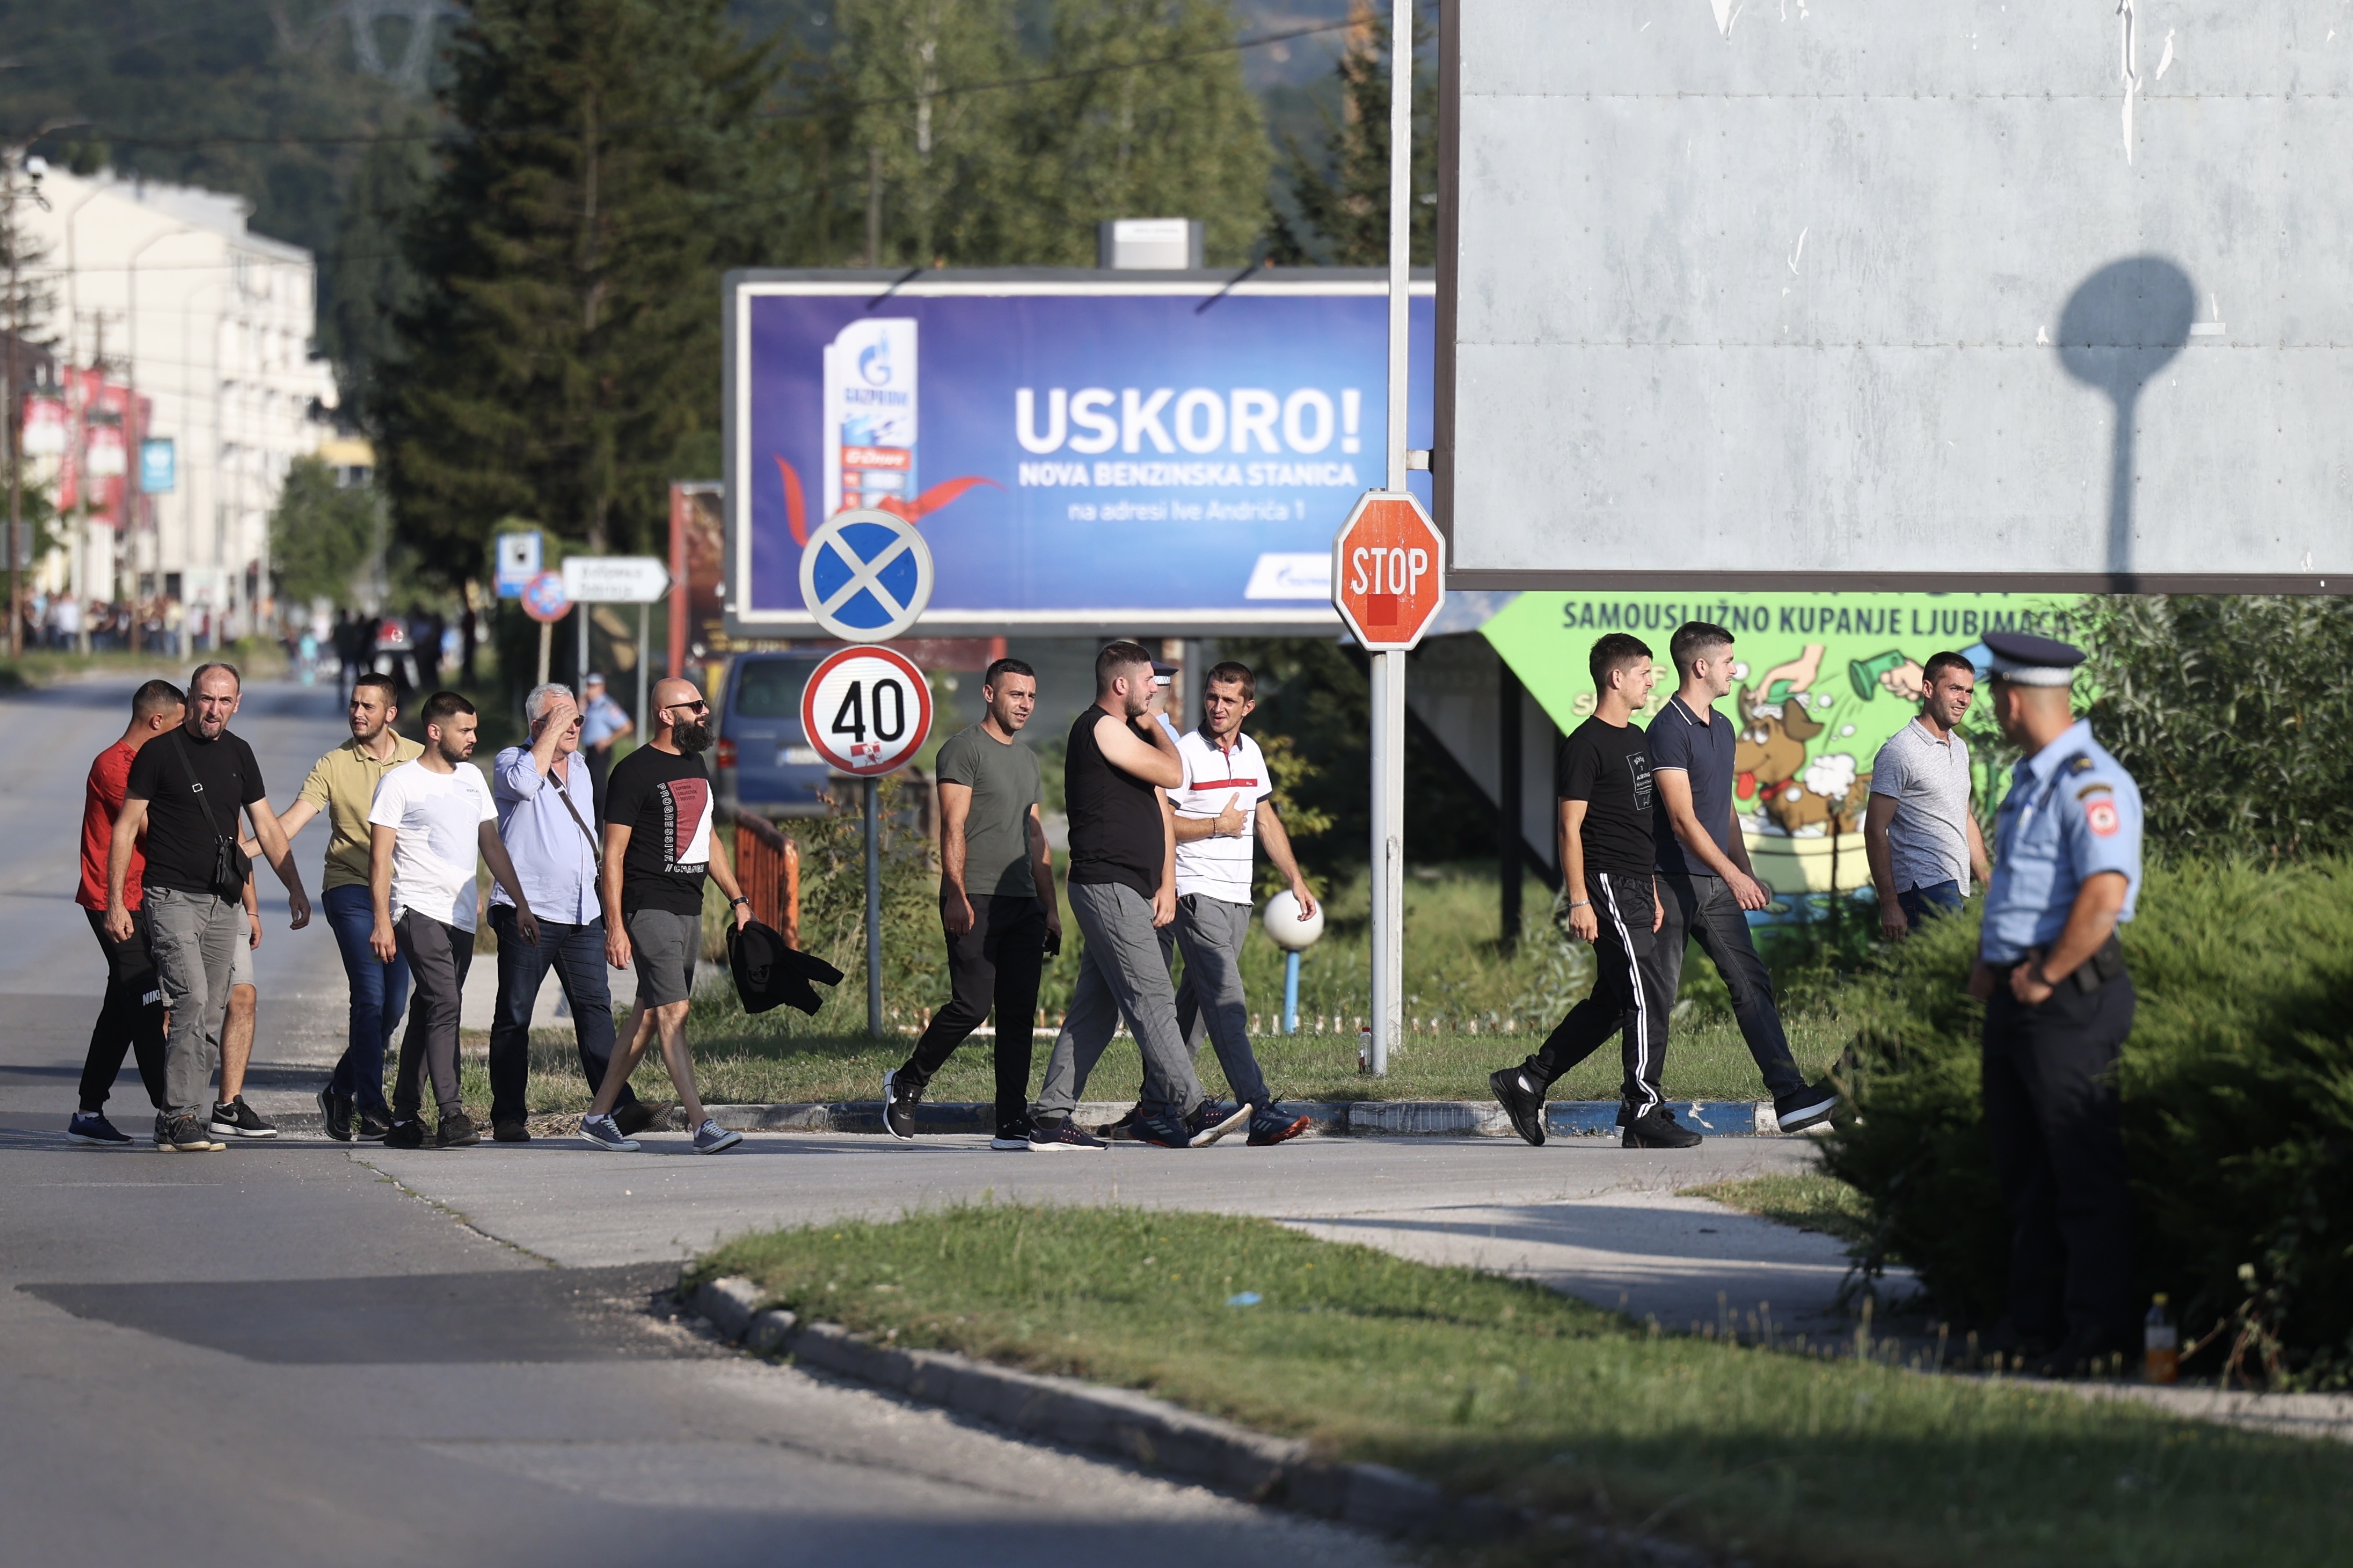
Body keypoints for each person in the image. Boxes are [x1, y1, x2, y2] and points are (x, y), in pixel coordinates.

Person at [1968, 630, 2143, 1376]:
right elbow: (2021, 889)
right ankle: (2033, 1325)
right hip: (2020, 997)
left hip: (2067, 999)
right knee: (2026, 1173)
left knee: (2080, 1170)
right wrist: (1990, 963)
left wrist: (2041, 973)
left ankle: (2098, 1335)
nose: (1993, 708)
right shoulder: (2033, 779)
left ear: (2012, 699)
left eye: (1994, 696)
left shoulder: (2088, 782)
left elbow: (2104, 893)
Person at [1489, 634, 1698, 1150]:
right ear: (1617, 677)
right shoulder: (1584, 743)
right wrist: (1579, 899)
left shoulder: (1637, 738)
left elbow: (1639, 824)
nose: (1653, 681)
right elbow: (1568, 828)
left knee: (1612, 1002)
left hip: (1634, 882)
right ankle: (1644, 1108)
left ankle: (1529, 1079)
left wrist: (1649, 887)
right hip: (1604, 883)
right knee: (1648, 996)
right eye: (1646, 672)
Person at [1025, 641, 1234, 1152]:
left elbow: (1162, 798)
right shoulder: (1101, 728)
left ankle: (1050, 1118)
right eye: (1147, 683)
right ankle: (1191, 1108)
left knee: (1095, 1011)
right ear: (1120, 685)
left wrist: (1164, 882)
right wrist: (1156, 723)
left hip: (1127, 887)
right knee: (1153, 997)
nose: (1153, 691)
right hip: (1108, 884)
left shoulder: (1119, 731)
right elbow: (1175, 771)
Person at [105, 663, 311, 1154]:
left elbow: (266, 827)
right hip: (170, 897)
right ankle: (178, 1114)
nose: (213, 710)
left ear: (237, 704)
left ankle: (182, 1116)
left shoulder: (240, 753)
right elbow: (125, 827)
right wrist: (116, 900)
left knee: (213, 1009)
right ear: (192, 698)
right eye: (205, 699)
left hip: (223, 900)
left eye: (224, 701)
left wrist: (295, 888)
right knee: (191, 998)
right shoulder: (159, 753)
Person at [1647, 622, 1838, 1135]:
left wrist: (1744, 870)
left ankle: (1790, 1096)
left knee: (1750, 982)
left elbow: (1722, 808)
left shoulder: (1724, 726)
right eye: (1729, 661)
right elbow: (1682, 819)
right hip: (1668, 881)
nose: (1736, 669)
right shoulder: (1666, 728)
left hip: (1714, 881)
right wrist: (1731, 874)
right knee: (1649, 997)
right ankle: (1638, 1108)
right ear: (1701, 666)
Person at [881, 657, 1061, 1150]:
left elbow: (1034, 835)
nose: (1024, 703)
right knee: (972, 1004)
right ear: (989, 694)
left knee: (1019, 1014)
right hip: (975, 896)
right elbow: (952, 825)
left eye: (1030, 696)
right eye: (1014, 694)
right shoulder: (963, 750)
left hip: (1022, 899)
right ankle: (907, 1081)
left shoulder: (1026, 760)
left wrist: (1050, 906)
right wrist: (956, 893)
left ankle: (1010, 1121)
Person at [579, 677, 754, 1154]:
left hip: (687, 904)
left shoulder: (696, 765)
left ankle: (597, 1116)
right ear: (665, 713)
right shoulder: (633, 771)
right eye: (693, 705)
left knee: (651, 1013)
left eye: (702, 704)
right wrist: (615, 926)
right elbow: (611, 854)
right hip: (647, 904)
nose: (703, 712)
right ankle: (700, 1123)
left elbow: (708, 836)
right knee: (675, 1011)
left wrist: (738, 899)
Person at [486, 682, 664, 1142]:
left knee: (595, 1010)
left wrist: (608, 913)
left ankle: (617, 1107)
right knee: (515, 1013)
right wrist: (550, 732)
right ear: (537, 725)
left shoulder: (583, 767)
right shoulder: (511, 761)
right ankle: (508, 1115)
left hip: (581, 911)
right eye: (562, 718)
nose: (574, 726)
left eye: (577, 718)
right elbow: (526, 785)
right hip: (528, 911)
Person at [367, 691, 539, 1150]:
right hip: (415, 909)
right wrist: (383, 920)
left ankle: (404, 1117)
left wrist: (519, 901)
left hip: (460, 914)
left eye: (474, 729)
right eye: (465, 730)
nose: (473, 737)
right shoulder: (399, 783)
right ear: (435, 731)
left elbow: (492, 845)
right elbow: (380, 859)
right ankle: (452, 1112)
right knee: (446, 1003)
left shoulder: (472, 779)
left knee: (429, 1010)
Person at [1163, 660, 1317, 1147]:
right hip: (1195, 889)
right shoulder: (1184, 752)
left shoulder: (1251, 753)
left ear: (1247, 706)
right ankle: (1260, 1107)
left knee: (1197, 1007)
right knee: (1228, 1002)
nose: (1217, 707)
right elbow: (1161, 824)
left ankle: (1155, 1105)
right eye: (1211, 697)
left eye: (1229, 700)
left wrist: (1295, 878)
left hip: (1237, 896)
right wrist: (1215, 827)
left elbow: (1265, 820)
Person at [268, 673, 422, 1141]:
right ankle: (371, 1106)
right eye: (354, 704)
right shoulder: (333, 763)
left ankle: (339, 1088)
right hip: (350, 888)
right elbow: (291, 820)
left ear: (390, 713)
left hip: (403, 894)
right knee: (370, 995)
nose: (358, 712)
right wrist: (243, 848)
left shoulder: (418, 758)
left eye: (369, 706)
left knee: (394, 1008)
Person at [67, 680, 183, 1145]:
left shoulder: (150, 764)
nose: (180, 735)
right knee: (146, 998)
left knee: (122, 1005)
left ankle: (89, 1110)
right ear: (157, 721)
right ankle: (172, 1110)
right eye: (176, 725)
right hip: (111, 901)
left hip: (144, 898)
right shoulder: (115, 766)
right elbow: (154, 831)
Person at [1866, 650, 1993, 937]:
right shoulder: (1899, 751)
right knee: (1941, 974)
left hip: (1955, 883)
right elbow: (1875, 829)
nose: (1964, 699)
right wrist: (1889, 903)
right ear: (1927, 689)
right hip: (1922, 885)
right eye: (1955, 689)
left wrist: (1986, 874)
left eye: (1969, 691)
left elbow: (1965, 814)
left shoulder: (1959, 747)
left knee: (1925, 978)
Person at [577, 671, 634, 820]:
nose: (590, 689)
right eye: (589, 685)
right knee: (589, 787)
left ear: (602, 688)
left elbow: (627, 726)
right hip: (588, 750)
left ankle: (601, 823)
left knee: (599, 789)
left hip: (600, 751)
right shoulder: (589, 706)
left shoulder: (606, 705)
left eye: (594, 686)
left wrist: (608, 740)